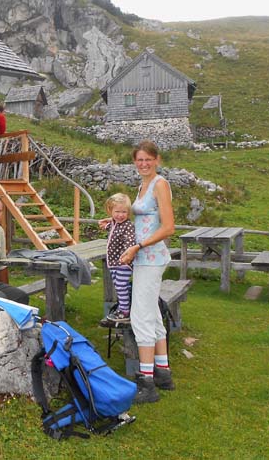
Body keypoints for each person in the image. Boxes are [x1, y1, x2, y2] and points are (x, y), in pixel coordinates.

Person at [117, 141, 176, 404]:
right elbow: (144, 219)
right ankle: (163, 372)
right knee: (152, 315)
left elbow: (168, 227)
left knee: (141, 316)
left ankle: (147, 382)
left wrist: (137, 246)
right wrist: (116, 220)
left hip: (150, 258)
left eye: (148, 159)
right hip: (144, 258)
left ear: (157, 160)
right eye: (139, 160)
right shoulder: (143, 185)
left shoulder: (160, 184)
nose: (143, 164)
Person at [99, 193, 137, 327]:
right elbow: (113, 230)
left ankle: (125, 311)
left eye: (124, 212)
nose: (120, 215)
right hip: (113, 263)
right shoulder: (115, 224)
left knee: (121, 286)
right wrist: (106, 224)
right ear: (110, 211)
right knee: (119, 286)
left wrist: (128, 254)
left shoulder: (128, 226)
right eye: (117, 212)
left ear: (128, 212)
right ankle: (124, 306)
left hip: (123, 263)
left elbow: (129, 240)